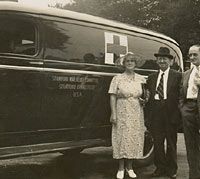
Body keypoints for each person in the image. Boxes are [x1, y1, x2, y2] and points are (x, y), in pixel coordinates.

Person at [108, 52, 147, 179]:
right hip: (122, 110)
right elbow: (112, 96)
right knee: (121, 137)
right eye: (127, 61)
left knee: (133, 137)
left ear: (135, 64)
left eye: (132, 61)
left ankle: (130, 167)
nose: (130, 63)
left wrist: (144, 100)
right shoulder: (117, 78)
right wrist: (113, 113)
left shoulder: (141, 79)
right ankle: (120, 168)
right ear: (124, 64)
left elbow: (145, 95)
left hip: (136, 111)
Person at [146, 47, 182, 179]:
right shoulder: (151, 78)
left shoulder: (177, 76)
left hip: (170, 112)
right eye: (160, 59)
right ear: (156, 61)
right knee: (158, 142)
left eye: (165, 59)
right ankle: (160, 168)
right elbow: (148, 98)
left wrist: (178, 115)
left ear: (170, 62)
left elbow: (180, 97)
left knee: (171, 143)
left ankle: (172, 169)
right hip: (156, 112)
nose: (162, 61)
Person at [179, 44, 200, 179]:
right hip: (189, 110)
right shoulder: (187, 74)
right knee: (191, 146)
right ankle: (194, 175)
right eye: (190, 55)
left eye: (195, 55)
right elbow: (182, 92)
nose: (192, 57)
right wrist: (183, 109)